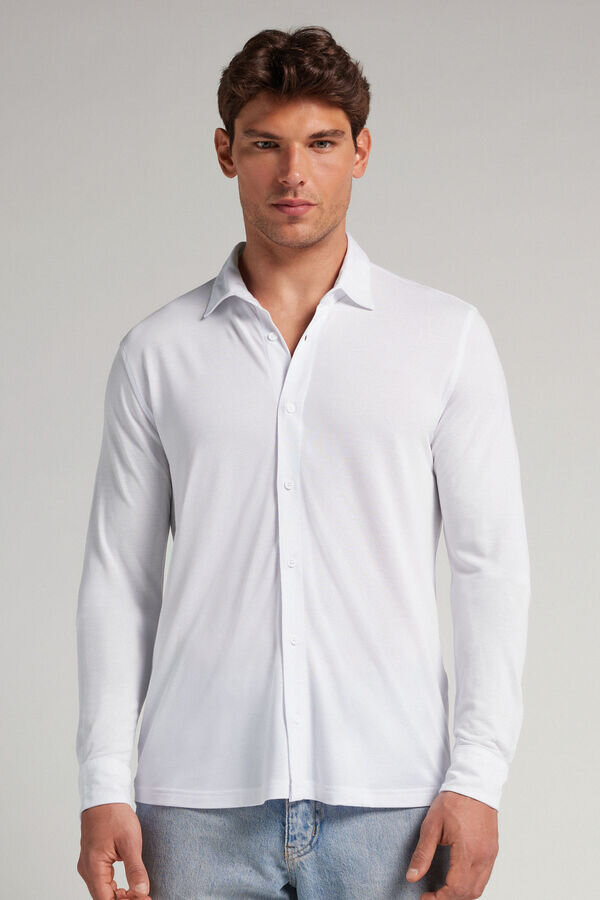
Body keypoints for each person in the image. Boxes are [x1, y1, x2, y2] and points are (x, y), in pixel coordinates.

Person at [75, 25, 530, 900]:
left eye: (321, 143)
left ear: (361, 152)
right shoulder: (158, 353)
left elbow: (490, 568)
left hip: (394, 802)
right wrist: (103, 782)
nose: (294, 173)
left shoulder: (445, 339)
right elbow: (119, 581)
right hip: (193, 806)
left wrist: (477, 777)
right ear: (225, 153)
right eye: (266, 145)